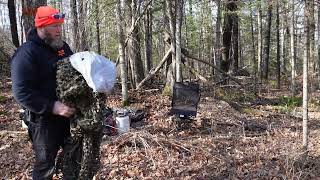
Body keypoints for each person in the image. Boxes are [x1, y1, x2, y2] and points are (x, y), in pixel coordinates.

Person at [10, 6, 75, 179]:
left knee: (75, 158)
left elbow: (76, 72)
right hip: (43, 123)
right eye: (54, 25)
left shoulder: (62, 47)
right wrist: (53, 106)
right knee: (45, 167)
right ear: (41, 26)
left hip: (69, 117)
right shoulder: (26, 53)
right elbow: (21, 92)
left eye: (60, 25)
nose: (59, 30)